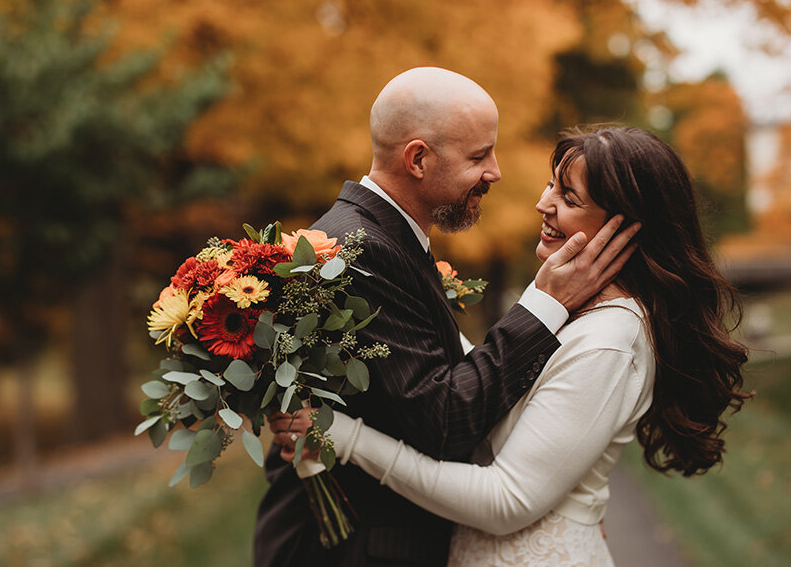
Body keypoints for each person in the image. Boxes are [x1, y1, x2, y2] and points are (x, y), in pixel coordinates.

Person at [274, 126, 752, 565]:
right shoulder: (570, 302)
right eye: (551, 186)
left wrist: (343, 434)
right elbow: (483, 386)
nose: (544, 205)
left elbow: (506, 501)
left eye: (569, 197)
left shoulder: (610, 339)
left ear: (624, 225)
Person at [253, 68, 639, 567]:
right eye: (479, 156)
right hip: (349, 548)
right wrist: (545, 303)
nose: (496, 172)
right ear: (418, 158)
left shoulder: (381, 238)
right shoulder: (363, 250)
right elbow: (443, 418)